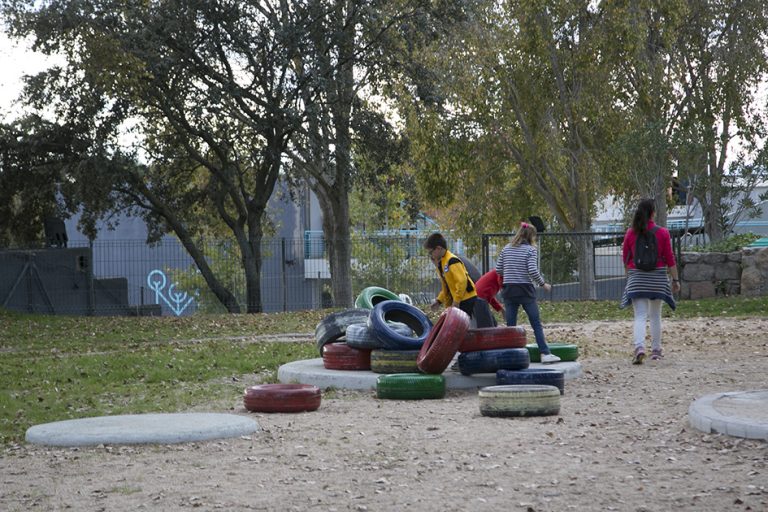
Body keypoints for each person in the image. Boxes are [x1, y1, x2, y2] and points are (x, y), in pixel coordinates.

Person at [621, 198, 680, 364]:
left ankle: (639, 348)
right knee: (655, 315)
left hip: (637, 278)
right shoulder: (662, 233)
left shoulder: (631, 233)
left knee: (640, 315)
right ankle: (656, 350)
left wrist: (629, 277)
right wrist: (675, 279)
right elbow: (670, 258)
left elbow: (625, 257)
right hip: (658, 279)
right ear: (653, 213)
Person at [495, 221, 560, 363]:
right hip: (525, 290)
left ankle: (511, 356)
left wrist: (512, 271)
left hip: (509, 290)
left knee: (511, 325)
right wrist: (543, 284)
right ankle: (545, 353)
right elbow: (532, 270)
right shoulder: (531, 250)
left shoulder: (506, 248)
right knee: (535, 322)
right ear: (531, 237)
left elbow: (498, 269)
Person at [423, 233, 478, 319]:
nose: (431, 255)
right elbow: (447, 286)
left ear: (438, 248)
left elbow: (462, 281)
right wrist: (439, 301)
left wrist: (456, 302)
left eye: (431, 252)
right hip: (459, 299)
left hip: (466, 298)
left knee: (461, 324)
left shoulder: (452, 261)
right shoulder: (442, 263)